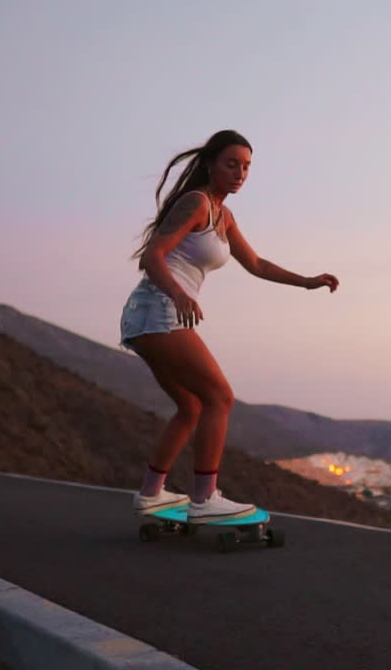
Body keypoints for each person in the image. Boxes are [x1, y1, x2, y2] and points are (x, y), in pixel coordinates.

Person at [120, 129, 338, 522]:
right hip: (158, 309)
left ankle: (151, 494)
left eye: (247, 167)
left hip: (153, 313)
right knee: (220, 397)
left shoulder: (224, 214)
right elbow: (153, 256)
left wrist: (307, 281)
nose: (240, 173)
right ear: (210, 164)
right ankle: (205, 498)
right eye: (232, 164)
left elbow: (256, 264)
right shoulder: (196, 203)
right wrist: (179, 293)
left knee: (191, 406)